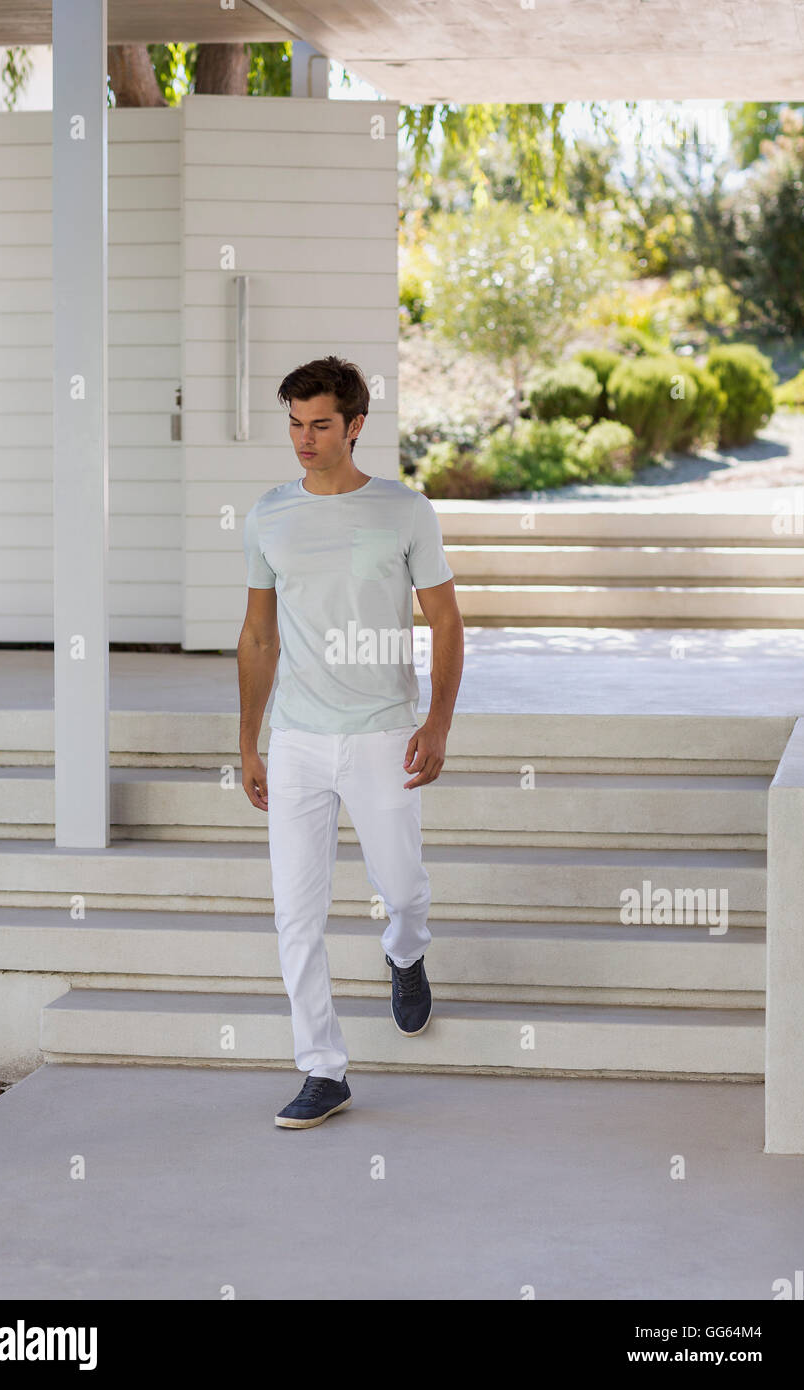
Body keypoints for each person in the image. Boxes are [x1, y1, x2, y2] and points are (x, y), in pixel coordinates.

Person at [238, 355, 464, 1129]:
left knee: (399, 888)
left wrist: (435, 722)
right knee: (295, 916)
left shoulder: (405, 512)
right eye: (295, 424)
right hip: (298, 738)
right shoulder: (268, 515)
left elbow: (446, 622)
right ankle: (322, 1070)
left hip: (382, 735)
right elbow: (258, 637)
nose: (304, 439)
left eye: (320, 424)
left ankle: (405, 950)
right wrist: (249, 740)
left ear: (356, 424)